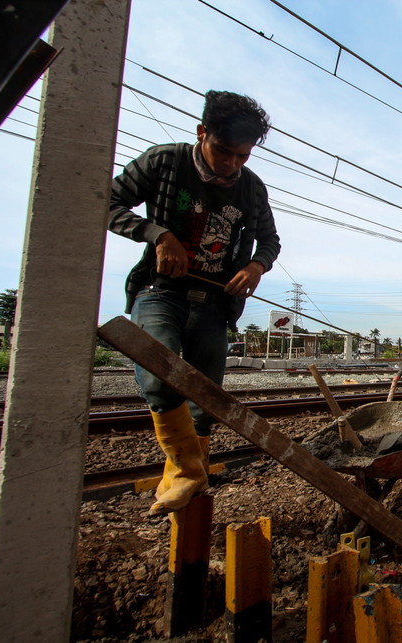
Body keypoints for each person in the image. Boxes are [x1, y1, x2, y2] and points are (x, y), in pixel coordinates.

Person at [108, 90, 281, 515]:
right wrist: (159, 236)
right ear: (202, 132)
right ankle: (185, 471)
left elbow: (270, 241)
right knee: (158, 364)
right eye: (225, 152)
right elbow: (106, 202)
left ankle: (190, 475)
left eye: (242, 157)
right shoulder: (165, 162)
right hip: (160, 291)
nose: (232, 165)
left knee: (206, 394)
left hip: (215, 303)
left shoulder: (252, 188)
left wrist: (256, 267)